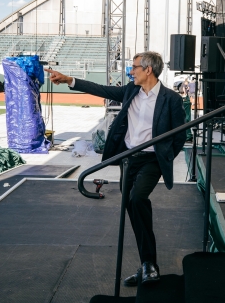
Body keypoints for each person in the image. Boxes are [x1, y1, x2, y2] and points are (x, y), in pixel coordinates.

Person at [47, 51, 187, 286]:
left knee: (138, 197)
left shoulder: (171, 99)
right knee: (131, 205)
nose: (131, 71)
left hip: (152, 160)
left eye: (134, 67)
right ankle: (148, 265)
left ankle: (149, 265)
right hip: (128, 159)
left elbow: (179, 135)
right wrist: (69, 79)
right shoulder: (131, 91)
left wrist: (164, 156)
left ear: (148, 70)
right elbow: (102, 90)